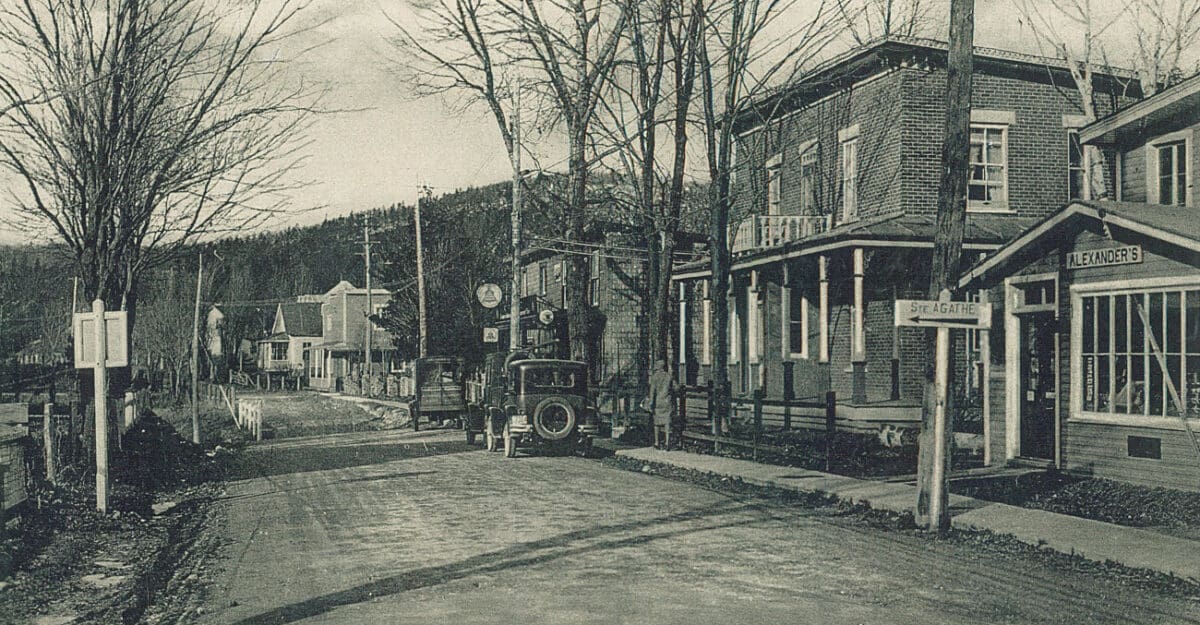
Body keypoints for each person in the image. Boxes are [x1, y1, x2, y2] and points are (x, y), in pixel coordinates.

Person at [646, 359, 677, 450]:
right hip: (667, 401)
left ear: (657, 366)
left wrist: (651, 403)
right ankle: (667, 443)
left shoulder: (654, 377)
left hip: (658, 402)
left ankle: (657, 442)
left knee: (657, 423)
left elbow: (652, 392)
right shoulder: (668, 376)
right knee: (667, 422)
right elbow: (676, 388)